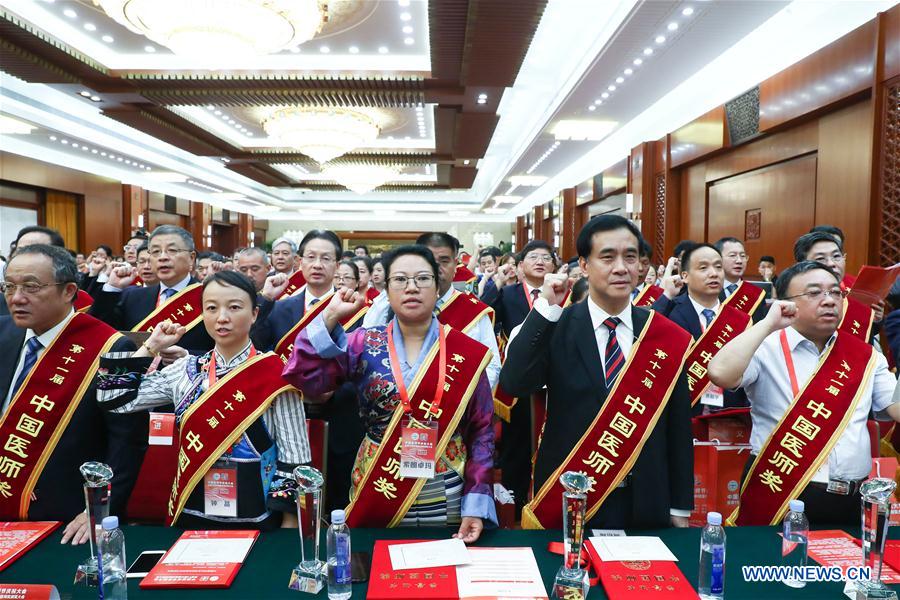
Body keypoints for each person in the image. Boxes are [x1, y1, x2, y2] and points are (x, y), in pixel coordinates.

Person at [283, 245, 496, 541]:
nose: (412, 287)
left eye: (422, 278)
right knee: (375, 560)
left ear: (438, 288)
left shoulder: (465, 352)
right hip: (379, 483)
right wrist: (330, 316)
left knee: (444, 564)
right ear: (386, 289)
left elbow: (482, 430)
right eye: (400, 279)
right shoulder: (362, 343)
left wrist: (475, 503)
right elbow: (306, 379)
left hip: (447, 487)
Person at [501, 215, 694, 529]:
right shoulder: (556, 324)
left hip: (647, 496)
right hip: (571, 493)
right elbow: (514, 383)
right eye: (607, 257)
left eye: (630, 257)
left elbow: (679, 426)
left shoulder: (663, 335)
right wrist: (545, 308)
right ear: (584, 265)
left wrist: (680, 507)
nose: (621, 268)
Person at [94, 271, 310, 530]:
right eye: (211, 308)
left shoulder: (275, 375)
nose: (222, 317)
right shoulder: (185, 370)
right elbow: (113, 398)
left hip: (259, 522)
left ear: (254, 314)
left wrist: (288, 527)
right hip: (190, 515)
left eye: (234, 307)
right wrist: (151, 346)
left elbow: (295, 458)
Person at [708, 261, 900, 525]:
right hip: (782, 490)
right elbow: (720, 373)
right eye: (814, 293)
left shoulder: (865, 356)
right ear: (786, 302)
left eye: (836, 292)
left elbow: (896, 407)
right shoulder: (765, 345)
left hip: (851, 498)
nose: (829, 300)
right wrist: (766, 324)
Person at [0, 244, 145, 542]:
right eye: (9, 287)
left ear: (68, 291)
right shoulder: (3, 332)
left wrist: (99, 508)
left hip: (65, 517)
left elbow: (127, 442)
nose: (16, 298)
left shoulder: (113, 347)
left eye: (31, 287)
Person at [363, 233, 500, 390]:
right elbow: (367, 351)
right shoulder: (387, 303)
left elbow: (490, 366)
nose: (437, 268)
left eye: (444, 261)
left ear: (456, 265)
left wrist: (459, 399)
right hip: (392, 399)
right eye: (430, 261)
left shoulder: (473, 311)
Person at [482, 240, 560, 513]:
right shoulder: (508, 293)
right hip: (517, 381)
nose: (540, 261)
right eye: (533, 257)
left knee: (550, 441)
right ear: (520, 265)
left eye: (546, 257)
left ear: (554, 265)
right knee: (516, 443)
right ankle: (513, 505)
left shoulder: (562, 292)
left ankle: (545, 500)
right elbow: (483, 315)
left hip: (553, 380)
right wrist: (496, 283)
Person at [652, 243, 750, 412]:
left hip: (729, 414)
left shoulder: (738, 319)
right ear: (685, 276)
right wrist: (667, 295)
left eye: (718, 267)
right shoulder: (670, 312)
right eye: (703, 268)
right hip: (682, 412)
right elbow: (645, 333)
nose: (714, 273)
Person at [91, 225, 213, 356]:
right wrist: (112, 287)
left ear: (192, 258)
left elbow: (224, 352)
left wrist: (188, 356)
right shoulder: (132, 296)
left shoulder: (210, 297)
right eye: (155, 251)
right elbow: (100, 333)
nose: (162, 257)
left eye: (172, 250)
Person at [250, 230, 341, 357]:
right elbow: (256, 344)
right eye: (311, 257)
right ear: (301, 262)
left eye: (326, 258)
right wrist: (266, 298)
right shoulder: (279, 308)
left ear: (337, 266)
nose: (317, 265)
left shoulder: (351, 310)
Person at [793, 231, 884, 338]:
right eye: (820, 258)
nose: (832, 264)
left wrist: (875, 319)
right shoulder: (794, 298)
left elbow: (864, 336)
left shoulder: (854, 294)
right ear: (802, 264)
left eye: (836, 256)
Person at [713, 236, 767, 323]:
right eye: (732, 255)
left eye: (743, 256)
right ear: (718, 259)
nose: (739, 261)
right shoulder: (707, 291)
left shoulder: (756, 294)